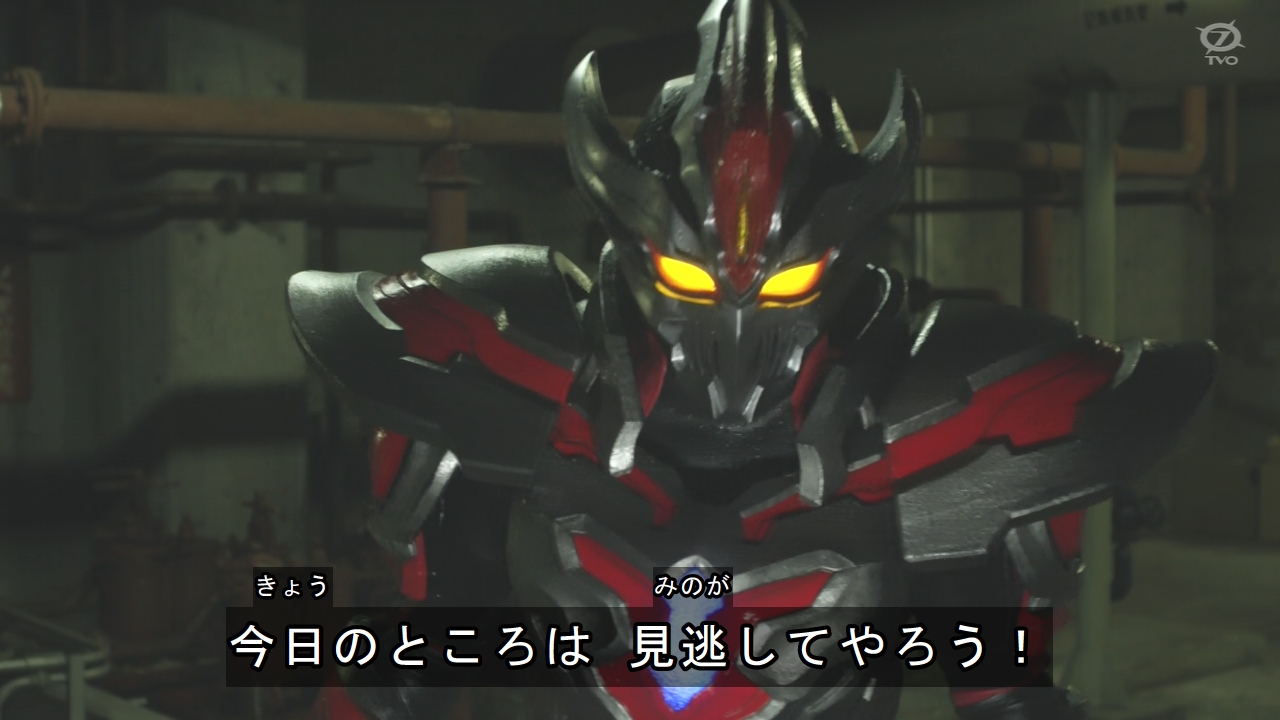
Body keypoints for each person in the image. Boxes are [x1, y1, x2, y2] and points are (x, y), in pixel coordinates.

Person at [289, 1, 1216, 717]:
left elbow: (1005, 694)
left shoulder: (948, 408)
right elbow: (406, 663)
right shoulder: (502, 357)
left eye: (787, 280)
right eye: (689, 278)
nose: (735, 321)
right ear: (632, 240)